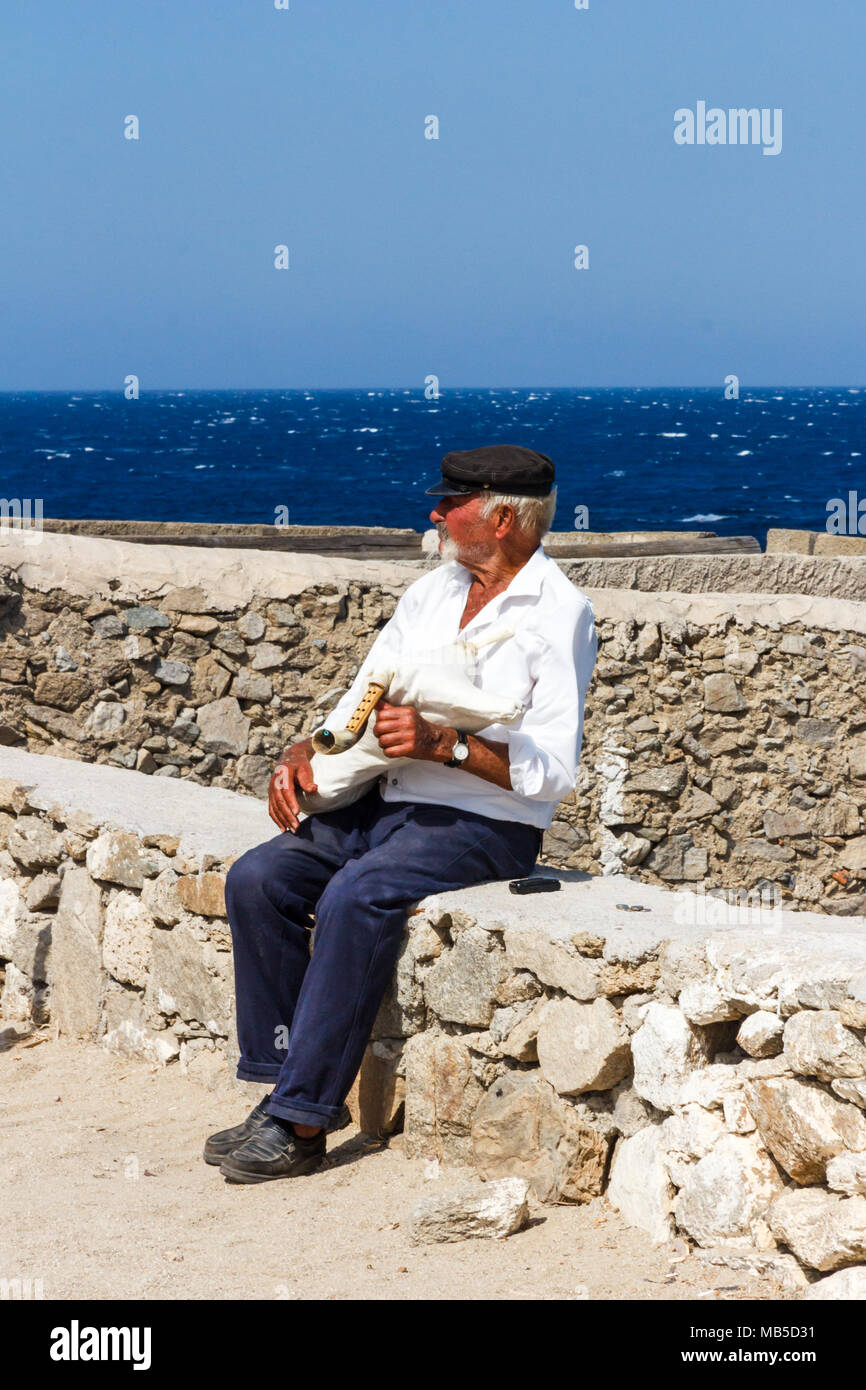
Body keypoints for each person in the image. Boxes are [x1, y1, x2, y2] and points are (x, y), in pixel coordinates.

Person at [206, 444, 598, 1183]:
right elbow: (360, 698)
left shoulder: (561, 615)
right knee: (260, 877)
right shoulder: (431, 594)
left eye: (450, 503)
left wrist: (447, 746)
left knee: (358, 896)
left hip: (486, 826)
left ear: (503, 517)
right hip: (385, 804)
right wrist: (305, 749)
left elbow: (551, 772)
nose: (435, 513)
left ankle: (299, 1122)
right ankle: (283, 1088)